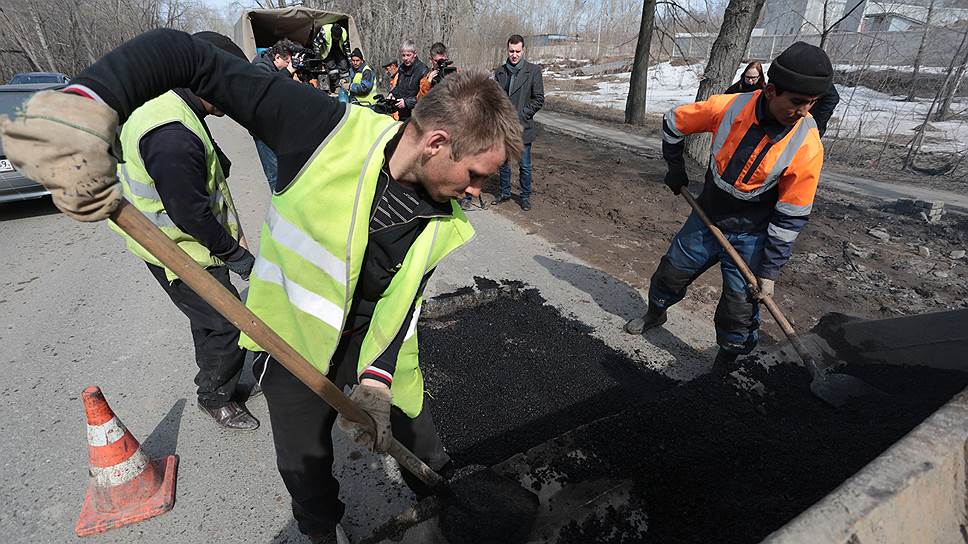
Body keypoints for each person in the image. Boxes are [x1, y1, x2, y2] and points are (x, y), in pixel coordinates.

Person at [1, 29, 523, 544]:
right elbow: (184, 54)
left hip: (374, 345)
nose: (476, 193)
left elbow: (404, 302)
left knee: (425, 450)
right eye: (476, 175)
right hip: (290, 341)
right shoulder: (322, 129)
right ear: (437, 143)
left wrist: (379, 382)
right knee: (305, 468)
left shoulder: (446, 216)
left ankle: (445, 510)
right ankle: (321, 533)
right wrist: (85, 104)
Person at [623, 42, 831, 372]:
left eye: (811, 103)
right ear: (772, 91)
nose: (804, 110)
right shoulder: (731, 107)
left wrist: (769, 270)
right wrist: (675, 169)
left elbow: (791, 216)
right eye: (797, 102)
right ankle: (656, 312)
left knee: (741, 306)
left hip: (752, 234)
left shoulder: (806, 145)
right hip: (707, 217)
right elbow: (674, 121)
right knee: (671, 273)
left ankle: (726, 358)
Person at [119, 32, 262, 430]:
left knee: (210, 320)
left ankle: (224, 380)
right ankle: (215, 396)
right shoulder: (171, 134)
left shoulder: (173, 103)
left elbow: (197, 173)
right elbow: (191, 214)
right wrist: (237, 256)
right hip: (180, 250)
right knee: (224, 323)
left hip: (185, 242)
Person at [491, 34, 544, 212]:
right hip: (503, 128)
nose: (514, 55)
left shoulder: (533, 71)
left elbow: (538, 99)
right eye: (511, 51)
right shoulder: (499, 72)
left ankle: (525, 196)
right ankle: (505, 192)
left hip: (523, 127)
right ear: (507, 50)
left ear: (523, 50)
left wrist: (522, 115)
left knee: (525, 166)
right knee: (503, 164)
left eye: (518, 51)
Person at [251, 39, 299, 191]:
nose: (288, 65)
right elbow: (270, 90)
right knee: (275, 174)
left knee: (285, 169)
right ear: (277, 57)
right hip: (262, 129)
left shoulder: (269, 64)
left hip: (273, 125)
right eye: (287, 62)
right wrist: (288, 72)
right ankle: (279, 206)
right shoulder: (260, 67)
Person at [389, 39, 427, 120]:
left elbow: (423, 96)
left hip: (416, 115)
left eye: (408, 55)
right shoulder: (402, 68)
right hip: (401, 113)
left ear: (415, 54)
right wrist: (392, 94)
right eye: (403, 55)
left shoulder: (422, 70)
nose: (405, 58)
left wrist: (406, 103)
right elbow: (398, 87)